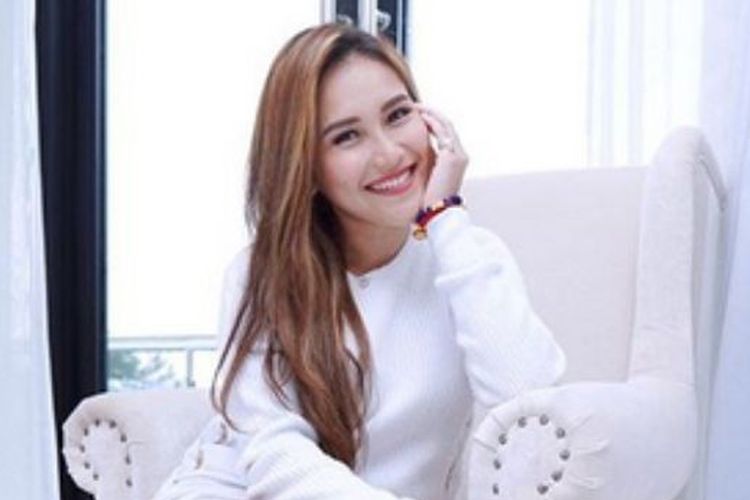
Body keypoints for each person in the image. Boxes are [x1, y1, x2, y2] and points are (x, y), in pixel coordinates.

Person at [153, 23, 566, 500]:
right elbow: (275, 453)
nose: (389, 153)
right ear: (306, 166)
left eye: (398, 115)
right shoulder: (260, 275)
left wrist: (443, 218)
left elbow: (530, 409)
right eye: (347, 136)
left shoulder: (468, 258)